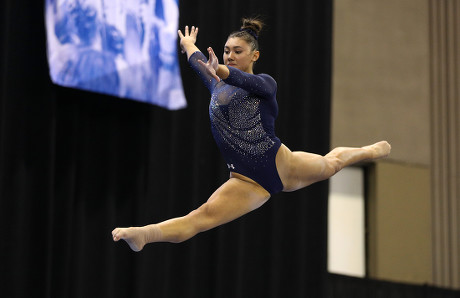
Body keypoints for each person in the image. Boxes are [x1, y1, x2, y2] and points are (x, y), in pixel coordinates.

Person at [112, 18, 391, 251]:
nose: (230, 56)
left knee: (331, 164)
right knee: (200, 217)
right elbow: (198, 62)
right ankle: (145, 234)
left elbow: (240, 78)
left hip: (282, 165)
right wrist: (188, 45)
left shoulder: (264, 84)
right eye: (226, 51)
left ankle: (369, 151)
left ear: (254, 55)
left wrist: (219, 68)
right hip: (245, 181)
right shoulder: (216, 85)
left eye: (237, 51)